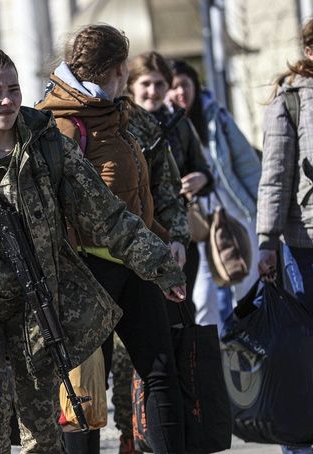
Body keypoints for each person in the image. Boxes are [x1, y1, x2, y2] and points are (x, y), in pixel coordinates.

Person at [0, 35, 186, 453]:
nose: (7, 101)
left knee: (41, 430)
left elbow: (107, 214)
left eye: (13, 89)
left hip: (33, 303)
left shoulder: (47, 147)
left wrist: (161, 266)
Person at [36, 24, 186, 454]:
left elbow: (142, 196)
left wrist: (162, 248)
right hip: (87, 274)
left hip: (137, 266)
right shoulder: (60, 124)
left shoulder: (119, 116)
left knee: (159, 371)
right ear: (119, 69)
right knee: (86, 389)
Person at [257, 18, 313, 454]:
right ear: (310, 50)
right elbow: (274, 178)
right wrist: (267, 242)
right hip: (304, 244)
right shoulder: (291, 102)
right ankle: (300, 442)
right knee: (304, 350)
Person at [168, 60, 261, 327]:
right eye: (173, 87)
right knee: (201, 295)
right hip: (195, 225)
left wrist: (259, 211)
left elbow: (246, 163)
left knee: (245, 283)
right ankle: (215, 359)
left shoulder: (214, 116)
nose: (180, 92)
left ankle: (251, 348)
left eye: (185, 84)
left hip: (233, 214)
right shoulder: (162, 126)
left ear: (195, 86)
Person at [128, 51, 214, 322]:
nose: (152, 91)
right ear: (131, 86)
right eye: (146, 84)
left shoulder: (180, 124)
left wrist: (202, 179)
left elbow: (202, 169)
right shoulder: (120, 124)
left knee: (183, 318)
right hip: (137, 238)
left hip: (179, 237)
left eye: (159, 84)